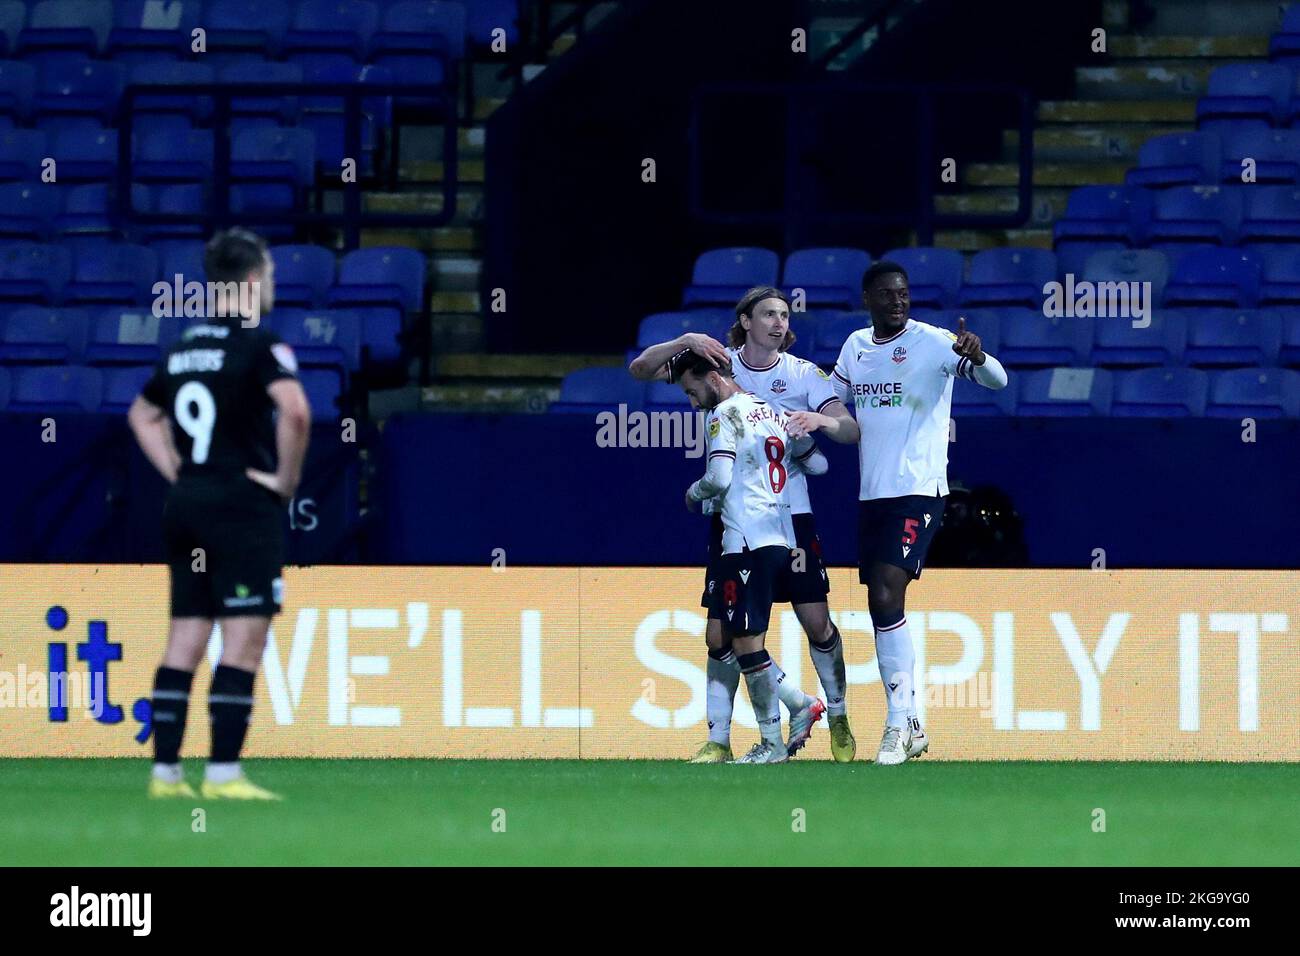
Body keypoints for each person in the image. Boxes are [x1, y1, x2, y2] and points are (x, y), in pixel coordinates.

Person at [631, 289, 859, 763]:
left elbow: (850, 430)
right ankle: (719, 738)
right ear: (746, 321)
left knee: (814, 622)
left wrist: (816, 420)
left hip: (787, 517)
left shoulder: (801, 373)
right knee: (720, 635)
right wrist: (684, 340)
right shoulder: (717, 362)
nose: (779, 322)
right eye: (769, 314)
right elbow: (640, 370)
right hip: (739, 519)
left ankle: (833, 716)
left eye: (785, 314)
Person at [794, 260, 1008, 765]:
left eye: (904, 294)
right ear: (867, 298)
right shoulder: (855, 348)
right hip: (873, 495)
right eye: (887, 295)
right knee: (880, 600)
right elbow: (835, 403)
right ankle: (911, 722)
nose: (898, 301)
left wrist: (978, 358)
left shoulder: (935, 342)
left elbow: (997, 380)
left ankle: (899, 722)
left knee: (888, 586)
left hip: (920, 490)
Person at [128, 228, 311, 799]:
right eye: (273, 276)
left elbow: (141, 415)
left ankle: (164, 776)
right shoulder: (261, 345)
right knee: (243, 642)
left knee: (184, 637)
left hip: (187, 504)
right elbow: (297, 413)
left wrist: (179, 473)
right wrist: (285, 481)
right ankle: (225, 774)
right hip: (239, 505)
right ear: (254, 280)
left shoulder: (183, 347)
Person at [671, 347, 823, 764]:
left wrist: (693, 494)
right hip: (779, 534)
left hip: (746, 540)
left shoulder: (725, 415)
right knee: (725, 636)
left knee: (746, 641)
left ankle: (772, 743)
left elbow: (717, 477)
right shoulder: (772, 412)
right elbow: (819, 465)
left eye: (692, 391)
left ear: (714, 378)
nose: (692, 401)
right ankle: (796, 704)